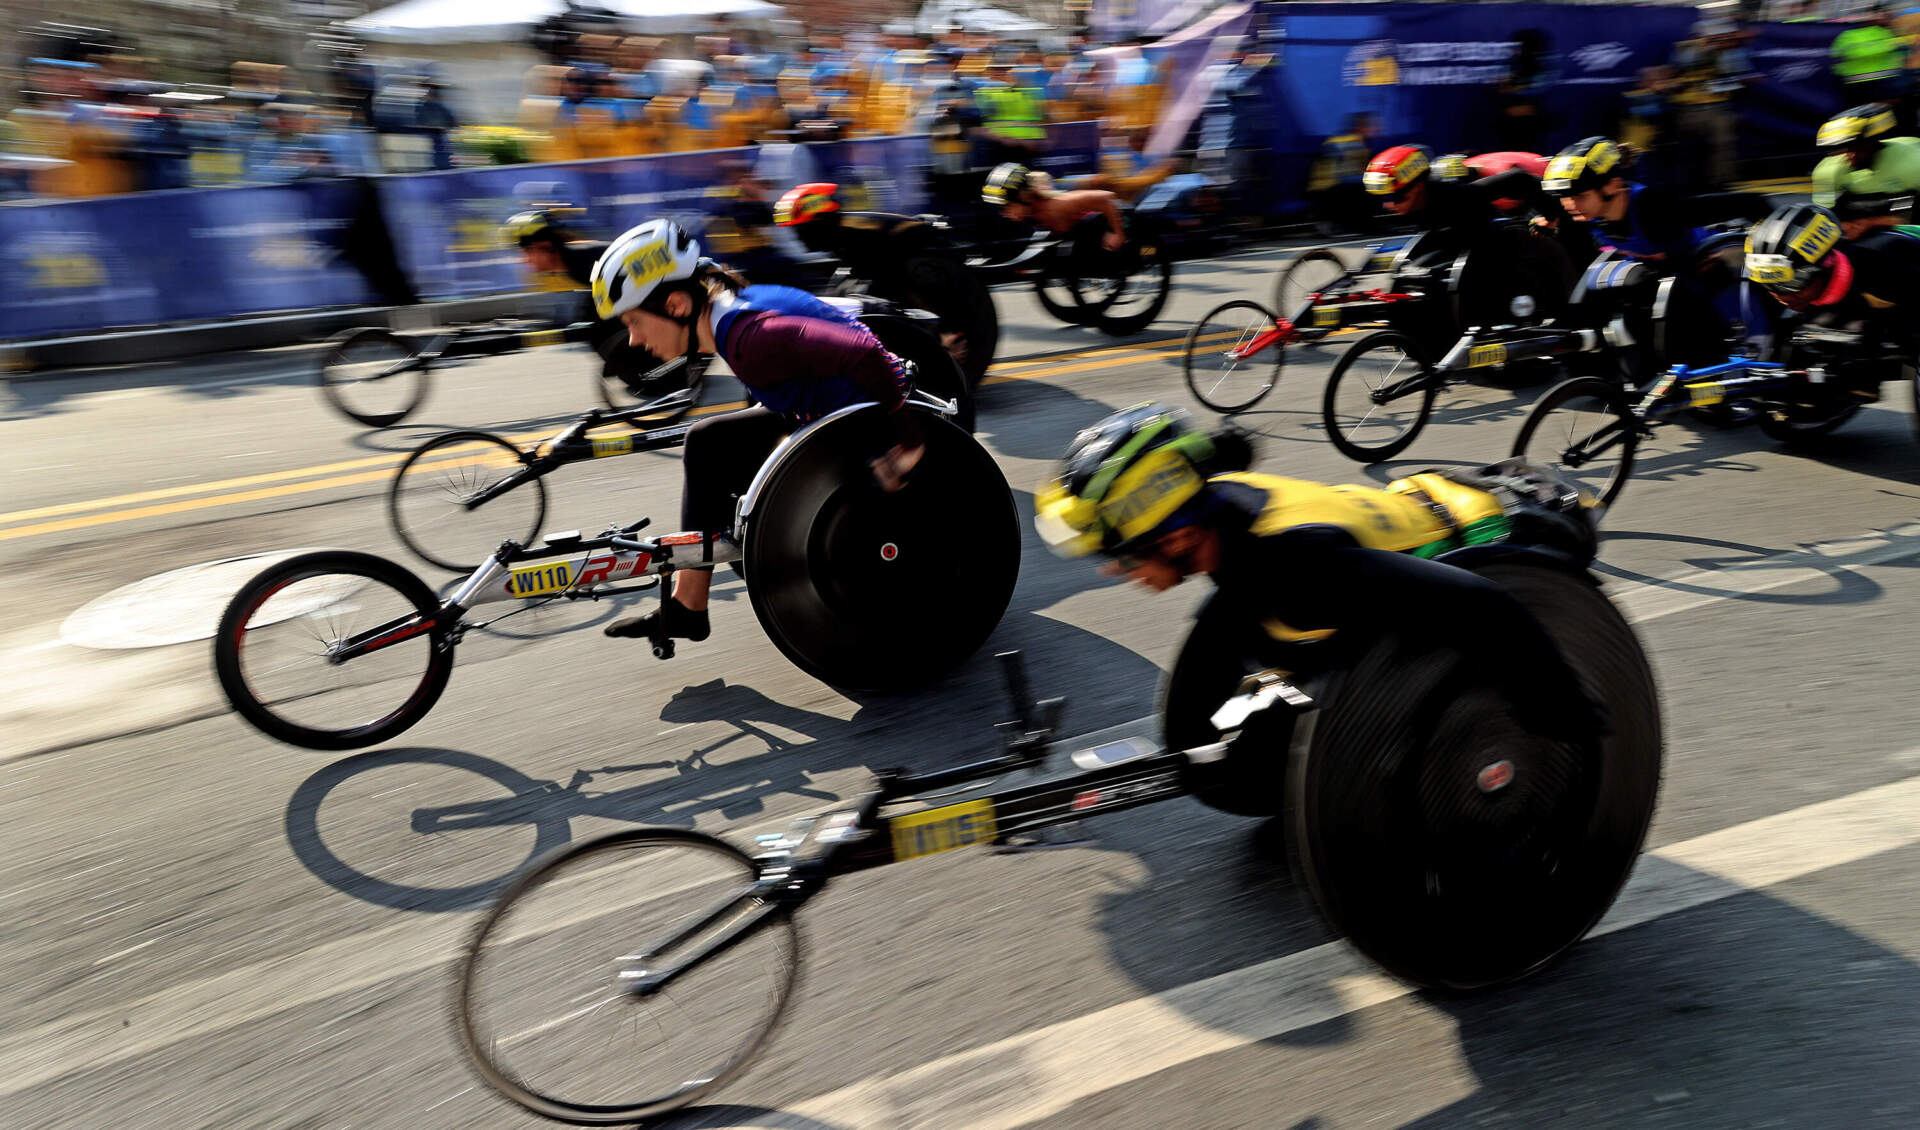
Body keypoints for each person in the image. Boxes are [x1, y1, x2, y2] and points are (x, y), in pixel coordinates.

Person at [1032, 403, 1605, 754]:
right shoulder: (1221, 513)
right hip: (1395, 522)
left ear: (1175, 536)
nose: (1113, 570)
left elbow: (1486, 605)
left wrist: (1562, 711)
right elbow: (1231, 624)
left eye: (1121, 556)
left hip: (1477, 536)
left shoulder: (1297, 566)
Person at [588, 219, 924, 645]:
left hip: (865, 428)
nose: (633, 339)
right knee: (707, 441)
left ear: (675, 305)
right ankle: (688, 605)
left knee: (753, 501)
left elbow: (864, 353)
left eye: (634, 321)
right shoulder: (730, 315)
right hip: (823, 417)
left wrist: (909, 442)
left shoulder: (752, 338)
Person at [982, 162, 1125, 250]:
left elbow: (1106, 198)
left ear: (1024, 197)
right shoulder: (1031, 215)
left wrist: (1117, 233)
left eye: (1007, 207)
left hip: (1109, 225)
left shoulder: (1058, 205)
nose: (1005, 214)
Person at [1811, 103, 1920, 214]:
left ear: (1874, 142)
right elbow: (1822, 215)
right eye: (1844, 149)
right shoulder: (1826, 172)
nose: (1850, 156)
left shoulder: (1914, 162)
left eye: (1856, 147)